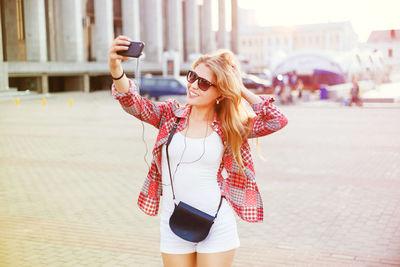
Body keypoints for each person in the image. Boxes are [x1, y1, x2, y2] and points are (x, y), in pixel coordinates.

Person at [109, 35, 288, 267]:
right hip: (174, 221)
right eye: (192, 77)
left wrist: (240, 86)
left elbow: (276, 120)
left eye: (204, 83)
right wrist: (115, 67)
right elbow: (131, 101)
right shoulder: (169, 115)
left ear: (221, 92)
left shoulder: (229, 126)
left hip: (216, 221)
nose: (193, 86)